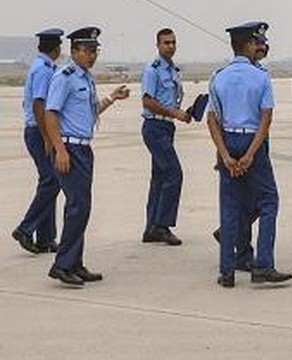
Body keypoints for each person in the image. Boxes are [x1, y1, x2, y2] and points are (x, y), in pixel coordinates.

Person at [41, 27, 130, 286]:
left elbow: (90, 114)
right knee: (77, 206)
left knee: (81, 208)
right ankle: (62, 265)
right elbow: (50, 114)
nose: (92, 56)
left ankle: (74, 263)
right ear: (75, 51)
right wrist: (60, 150)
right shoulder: (65, 77)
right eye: (88, 51)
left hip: (83, 149)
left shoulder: (85, 78)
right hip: (70, 149)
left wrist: (112, 98)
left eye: (95, 51)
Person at [206, 21, 291, 288]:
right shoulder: (260, 76)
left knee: (230, 207)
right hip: (252, 138)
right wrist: (251, 153)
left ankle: (227, 272)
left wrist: (225, 155)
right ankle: (263, 264)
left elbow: (211, 119)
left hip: (228, 138)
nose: (260, 46)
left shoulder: (218, 76)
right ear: (249, 45)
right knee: (268, 201)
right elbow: (266, 118)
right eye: (257, 42)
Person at [12, 28, 65, 255]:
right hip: (38, 132)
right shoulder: (43, 70)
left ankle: (45, 238)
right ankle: (25, 229)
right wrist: (47, 137)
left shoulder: (42, 67)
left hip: (38, 130)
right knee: (52, 181)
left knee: (49, 181)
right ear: (56, 48)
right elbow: (38, 104)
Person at [140, 28, 190, 246]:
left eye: (173, 42)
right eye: (166, 43)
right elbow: (147, 101)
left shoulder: (173, 70)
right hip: (154, 127)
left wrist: (182, 114)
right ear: (158, 45)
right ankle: (162, 226)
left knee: (160, 178)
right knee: (174, 174)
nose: (170, 46)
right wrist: (174, 113)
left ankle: (151, 227)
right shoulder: (153, 70)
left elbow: (171, 101)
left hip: (167, 128)